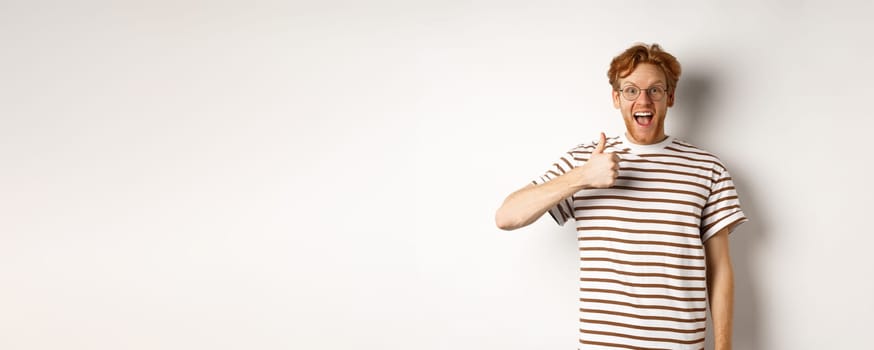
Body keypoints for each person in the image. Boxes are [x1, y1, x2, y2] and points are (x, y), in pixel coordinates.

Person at [495, 43, 746, 350]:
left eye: (655, 90)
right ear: (616, 98)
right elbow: (507, 217)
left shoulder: (707, 168)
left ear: (670, 97)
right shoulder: (586, 161)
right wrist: (582, 177)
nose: (643, 100)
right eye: (631, 90)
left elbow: (719, 268)